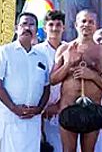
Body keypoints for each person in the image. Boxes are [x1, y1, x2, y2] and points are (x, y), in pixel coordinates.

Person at [51, 10, 102, 152]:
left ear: (96, 25)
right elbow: (53, 79)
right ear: (76, 25)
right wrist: (68, 64)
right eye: (83, 21)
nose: (87, 25)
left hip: (92, 109)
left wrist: (92, 76)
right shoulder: (65, 49)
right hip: (68, 108)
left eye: (91, 22)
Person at [0, 13, 51, 152]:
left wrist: (38, 109)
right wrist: (13, 107)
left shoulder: (41, 57)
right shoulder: (5, 52)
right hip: (10, 118)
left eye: (31, 25)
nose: (27, 28)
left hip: (32, 120)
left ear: (36, 30)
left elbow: (46, 87)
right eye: (24, 24)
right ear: (16, 28)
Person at [36, 10, 67, 152]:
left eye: (58, 25)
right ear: (45, 27)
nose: (55, 28)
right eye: (51, 24)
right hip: (40, 112)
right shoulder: (36, 52)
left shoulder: (70, 50)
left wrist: (60, 105)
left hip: (64, 109)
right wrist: (43, 108)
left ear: (64, 27)